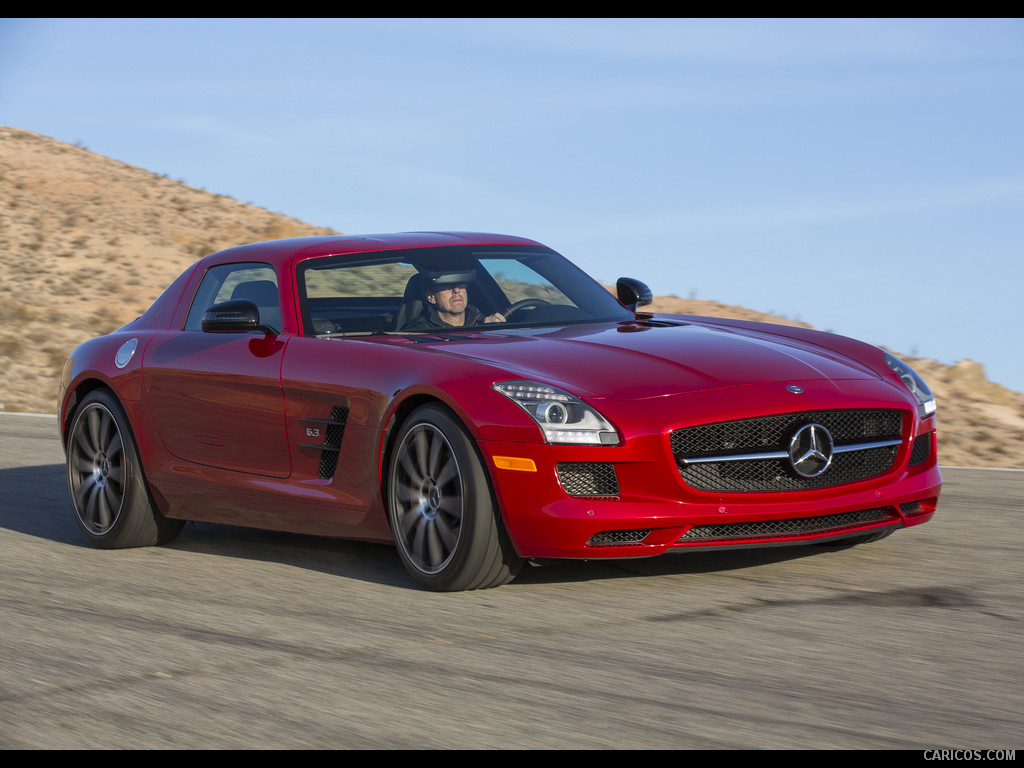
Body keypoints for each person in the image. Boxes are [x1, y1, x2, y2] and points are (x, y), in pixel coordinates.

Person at [405, 271, 506, 329]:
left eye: (461, 283)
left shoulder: (483, 320)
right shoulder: (421, 333)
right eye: (447, 284)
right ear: (431, 297)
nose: (457, 290)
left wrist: (491, 329)